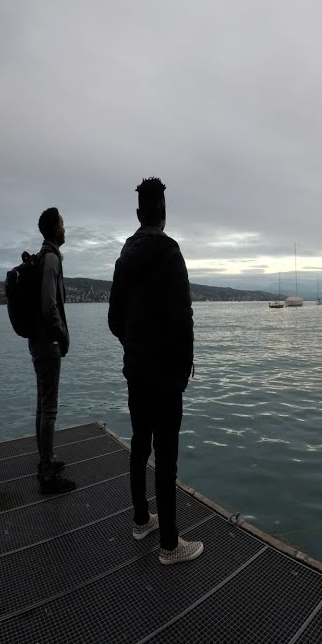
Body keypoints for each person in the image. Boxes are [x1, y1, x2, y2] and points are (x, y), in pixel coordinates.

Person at [108, 177, 202, 565]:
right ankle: (170, 545)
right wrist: (182, 368)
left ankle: (141, 520)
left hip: (136, 369)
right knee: (166, 456)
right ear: (163, 212)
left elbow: (114, 320)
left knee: (139, 443)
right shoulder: (170, 252)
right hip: (165, 374)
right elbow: (183, 318)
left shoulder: (124, 258)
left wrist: (134, 346)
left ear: (138, 213)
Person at [30, 207, 76, 494]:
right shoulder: (50, 259)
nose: (65, 228)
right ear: (56, 229)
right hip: (48, 343)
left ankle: (45, 461)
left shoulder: (43, 257)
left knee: (42, 403)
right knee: (49, 407)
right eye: (62, 223)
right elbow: (49, 305)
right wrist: (62, 334)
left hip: (39, 340)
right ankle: (47, 473)